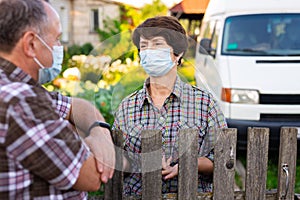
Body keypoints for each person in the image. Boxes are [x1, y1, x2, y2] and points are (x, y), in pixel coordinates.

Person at [0, 0, 115, 199]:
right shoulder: (21, 101)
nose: (59, 47)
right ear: (31, 44)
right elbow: (92, 176)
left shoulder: (17, 86)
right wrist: (86, 138)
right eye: (56, 39)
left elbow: (79, 106)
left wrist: (97, 130)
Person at [113, 16, 227, 196]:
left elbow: (223, 159)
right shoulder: (127, 107)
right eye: (144, 46)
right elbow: (119, 160)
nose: (149, 51)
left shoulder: (205, 104)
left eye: (157, 44)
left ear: (178, 53)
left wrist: (189, 164)